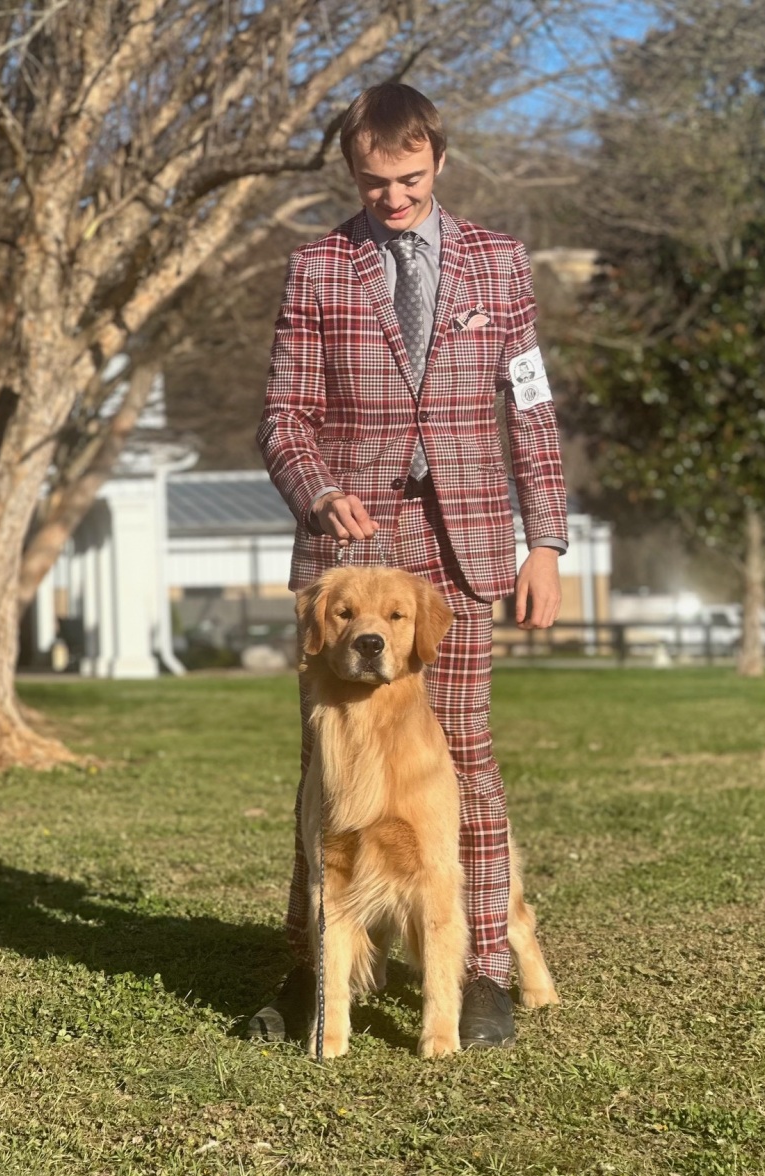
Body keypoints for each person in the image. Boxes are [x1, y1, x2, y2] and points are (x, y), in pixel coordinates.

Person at [254, 83, 568, 1049]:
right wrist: (317, 491)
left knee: (464, 756)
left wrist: (545, 541)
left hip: (464, 548)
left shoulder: (499, 263)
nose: (392, 197)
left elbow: (530, 412)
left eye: (409, 178)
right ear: (352, 172)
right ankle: (315, 968)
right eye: (372, 181)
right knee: (326, 770)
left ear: (439, 160)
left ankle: (480, 972)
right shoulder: (317, 268)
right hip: (349, 556)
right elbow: (283, 417)